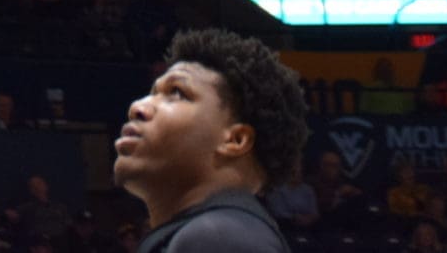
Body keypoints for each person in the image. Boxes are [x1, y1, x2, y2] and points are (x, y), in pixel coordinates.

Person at [112, 27, 309, 251]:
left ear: (235, 140)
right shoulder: (215, 231)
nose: (137, 107)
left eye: (176, 92)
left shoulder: (219, 236)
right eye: (152, 92)